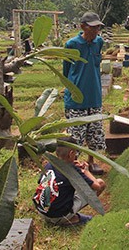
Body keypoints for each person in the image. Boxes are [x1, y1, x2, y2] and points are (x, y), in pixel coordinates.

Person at [64, 12, 107, 175]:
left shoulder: (99, 42)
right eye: (93, 27)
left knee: (94, 132)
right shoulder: (72, 45)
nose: (96, 30)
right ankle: (73, 164)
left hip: (94, 95)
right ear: (83, 26)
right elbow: (66, 70)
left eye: (98, 27)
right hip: (76, 97)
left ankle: (91, 162)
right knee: (76, 134)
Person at [33, 137, 106, 226]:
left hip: (42, 212)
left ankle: (63, 214)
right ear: (71, 153)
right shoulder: (72, 170)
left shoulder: (49, 164)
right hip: (58, 217)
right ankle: (69, 218)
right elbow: (98, 186)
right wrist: (86, 171)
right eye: (75, 152)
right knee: (101, 182)